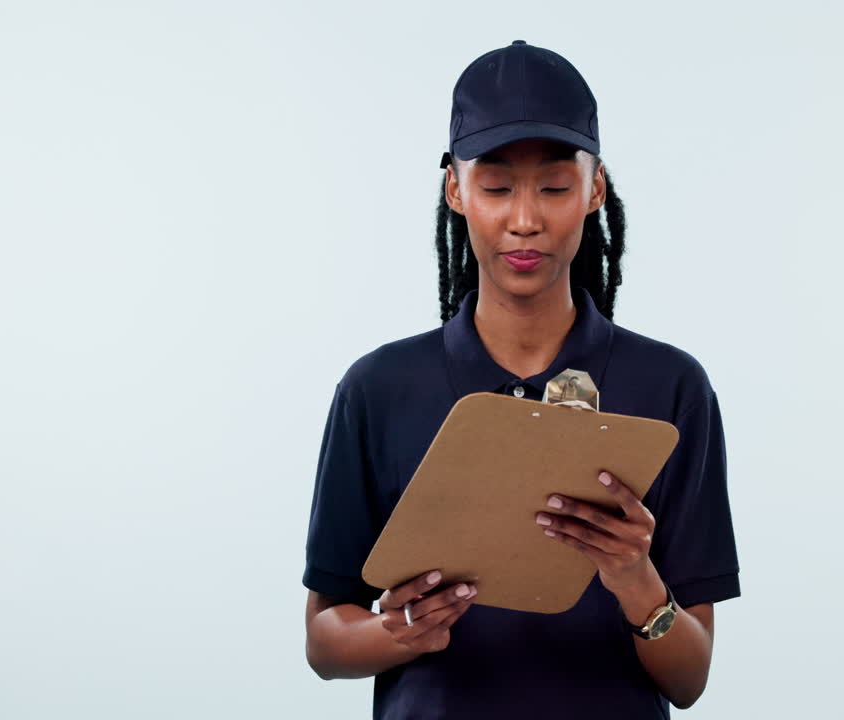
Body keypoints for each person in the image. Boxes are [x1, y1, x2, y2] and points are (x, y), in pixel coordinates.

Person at [302, 40, 740, 719]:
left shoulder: (671, 389)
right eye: (497, 187)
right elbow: (325, 641)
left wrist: (636, 582)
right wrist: (397, 632)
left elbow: (689, 679)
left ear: (595, 189)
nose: (526, 219)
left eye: (556, 187)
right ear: (456, 189)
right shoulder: (379, 388)